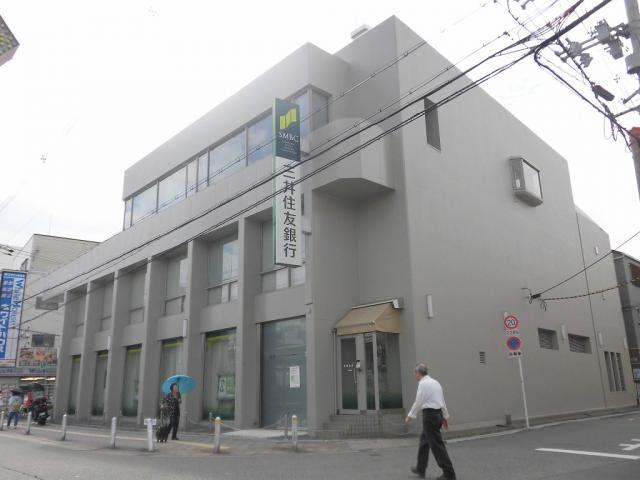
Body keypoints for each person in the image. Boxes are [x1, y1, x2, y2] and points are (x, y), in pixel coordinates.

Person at [405, 363, 456, 480]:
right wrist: (445, 416)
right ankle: (420, 468)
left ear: (418, 373)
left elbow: (418, 401)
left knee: (437, 446)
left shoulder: (423, 384)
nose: (414, 375)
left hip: (430, 416)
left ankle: (449, 473)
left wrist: (410, 416)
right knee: (424, 440)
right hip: (437, 415)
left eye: (415, 373)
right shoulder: (436, 383)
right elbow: (442, 401)